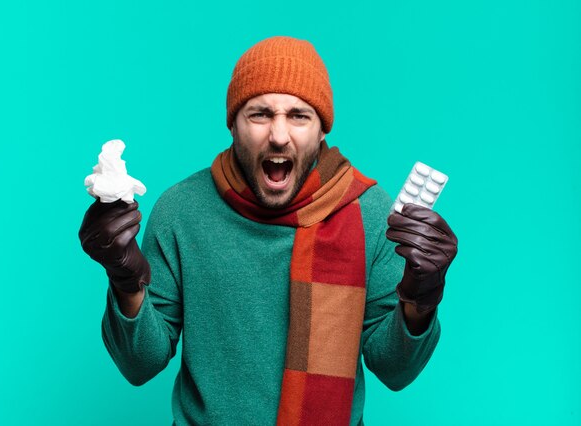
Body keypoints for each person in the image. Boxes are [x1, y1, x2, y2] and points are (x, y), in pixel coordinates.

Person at [79, 36, 458, 426]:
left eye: (299, 115)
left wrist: (420, 299)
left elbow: (394, 370)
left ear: (322, 130)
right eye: (260, 114)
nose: (279, 135)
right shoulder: (181, 210)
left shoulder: (369, 213)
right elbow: (139, 364)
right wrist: (125, 279)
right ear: (233, 124)